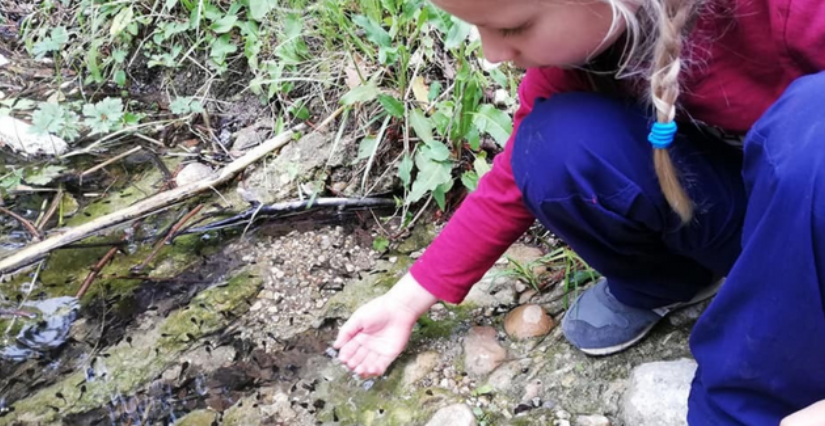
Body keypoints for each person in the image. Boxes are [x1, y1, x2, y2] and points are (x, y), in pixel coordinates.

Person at [333, 0, 825, 424]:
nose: (491, 54)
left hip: (809, 225)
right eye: (478, 29)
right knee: (554, 145)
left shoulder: (787, 14)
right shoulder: (597, 44)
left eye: (513, 27)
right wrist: (405, 301)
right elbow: (509, 181)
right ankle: (674, 282)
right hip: (745, 218)